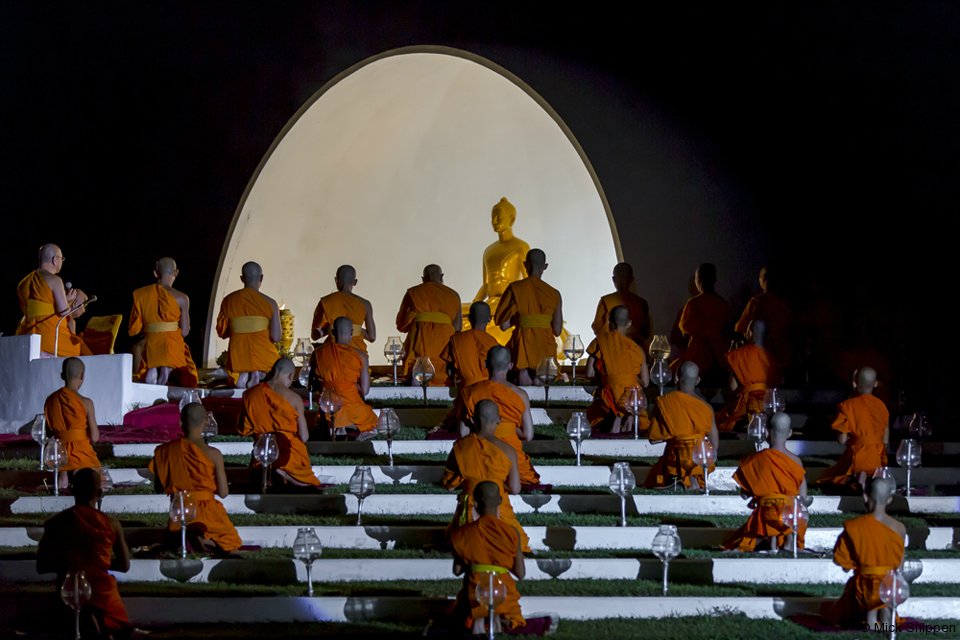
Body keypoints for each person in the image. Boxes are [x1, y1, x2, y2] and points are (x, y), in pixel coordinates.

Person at [36, 467, 132, 637]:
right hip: (102, 592)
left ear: (72, 490)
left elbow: (42, 565)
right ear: (100, 492)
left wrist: (72, 564)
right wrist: (96, 564)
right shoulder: (112, 524)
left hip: (70, 589)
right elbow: (124, 566)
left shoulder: (56, 523)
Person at [149, 402, 242, 555]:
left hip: (180, 511)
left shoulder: (165, 451)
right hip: (209, 513)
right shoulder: (214, 454)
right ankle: (206, 541)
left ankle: (186, 539)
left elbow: (159, 488)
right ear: (206, 421)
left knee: (176, 536)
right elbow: (224, 492)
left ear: (180, 422)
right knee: (231, 542)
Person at [442, 399, 530, 553]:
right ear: (499, 420)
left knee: (463, 542)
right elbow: (515, 488)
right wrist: (494, 483)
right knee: (511, 541)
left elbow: (448, 484)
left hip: (471, 510)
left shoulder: (461, 447)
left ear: (472, 420)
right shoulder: (508, 451)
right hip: (498, 508)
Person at [823, 477, 906, 630]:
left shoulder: (854, 527)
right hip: (889, 586)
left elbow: (842, 562)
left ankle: (871, 623)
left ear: (865, 496)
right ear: (889, 500)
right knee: (884, 601)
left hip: (864, 587)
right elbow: (899, 565)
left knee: (859, 604)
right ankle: (886, 625)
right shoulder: (899, 528)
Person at [723, 412, 808, 552]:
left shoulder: (756, 460)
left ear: (766, 432)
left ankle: (769, 541)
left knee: (762, 516)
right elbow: (802, 496)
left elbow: (744, 494)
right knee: (791, 508)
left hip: (766, 517)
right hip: (790, 519)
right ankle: (787, 542)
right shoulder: (796, 461)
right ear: (790, 433)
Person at [450, 480, 526, 634]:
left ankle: (481, 618)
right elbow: (520, 573)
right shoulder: (511, 532)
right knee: (511, 616)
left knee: (461, 610)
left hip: (475, 594)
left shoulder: (462, 533)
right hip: (503, 593)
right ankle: (499, 618)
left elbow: (457, 570)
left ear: (475, 504)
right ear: (500, 500)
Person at [459, 346, 539, 487]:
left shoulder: (471, 392)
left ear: (485, 364)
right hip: (511, 458)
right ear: (510, 366)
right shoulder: (520, 395)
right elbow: (528, 435)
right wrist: (508, 428)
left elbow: (463, 432)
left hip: (481, 457)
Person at [239, 357, 321, 488]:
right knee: (309, 484)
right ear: (290, 376)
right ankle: (289, 475)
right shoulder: (295, 399)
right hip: (288, 456)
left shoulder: (251, 394)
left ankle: (270, 474)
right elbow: (304, 437)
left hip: (262, 455)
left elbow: (243, 428)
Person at [643, 362, 719, 490]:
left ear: (676, 378)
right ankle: (693, 478)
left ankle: (676, 479)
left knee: (675, 450)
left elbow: (653, 438)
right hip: (700, 458)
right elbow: (714, 443)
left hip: (676, 458)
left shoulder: (665, 402)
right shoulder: (707, 407)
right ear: (698, 380)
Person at [494, 249, 562, 386]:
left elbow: (503, 325)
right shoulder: (554, 294)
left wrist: (521, 320)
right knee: (543, 378)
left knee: (522, 373)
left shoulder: (515, 288)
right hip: (545, 346)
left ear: (525, 265)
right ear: (545, 266)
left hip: (522, 345)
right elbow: (557, 330)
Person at [471, 197, 531, 346]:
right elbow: (486, 285)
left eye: (499, 216)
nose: (495, 220)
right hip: (490, 303)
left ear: (511, 219)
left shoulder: (520, 247)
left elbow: (529, 282)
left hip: (509, 302)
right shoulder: (489, 251)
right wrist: (475, 304)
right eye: (492, 217)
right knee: (460, 314)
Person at [817, 367, 889, 491]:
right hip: (878, 459)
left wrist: (856, 441)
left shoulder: (846, 406)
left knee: (827, 477)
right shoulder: (882, 406)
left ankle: (857, 478)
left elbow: (842, 440)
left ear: (855, 383)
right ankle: (866, 478)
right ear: (875, 384)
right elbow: (886, 439)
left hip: (858, 458)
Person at [128, 257, 196, 386]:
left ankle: (152, 377)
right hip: (171, 344)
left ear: (155, 273)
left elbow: (135, 328)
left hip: (149, 343)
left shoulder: (141, 294)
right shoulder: (182, 298)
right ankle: (163, 381)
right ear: (176, 273)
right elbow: (185, 331)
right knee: (168, 368)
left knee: (151, 367)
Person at [216, 261, 282, 389]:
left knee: (244, 375)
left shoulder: (228, 301)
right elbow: (276, 337)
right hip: (264, 357)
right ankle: (254, 374)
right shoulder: (270, 303)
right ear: (261, 278)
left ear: (242, 278)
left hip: (238, 357)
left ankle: (249, 374)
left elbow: (222, 332)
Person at [585, 305, 650, 434]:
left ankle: (617, 418)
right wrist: (628, 377)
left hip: (609, 397)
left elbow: (589, 373)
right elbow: (646, 382)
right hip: (632, 397)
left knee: (607, 396)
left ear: (609, 323)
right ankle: (627, 417)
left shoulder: (600, 342)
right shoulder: (637, 349)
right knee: (633, 393)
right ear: (629, 323)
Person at [16, 243, 90, 356]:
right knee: (80, 348)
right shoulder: (55, 280)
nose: (62, 262)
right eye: (61, 258)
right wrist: (68, 300)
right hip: (47, 337)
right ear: (55, 260)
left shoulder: (23, 282)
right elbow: (64, 312)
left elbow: (38, 308)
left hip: (25, 334)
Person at [310, 316, 378, 439]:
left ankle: (334, 424)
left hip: (328, 405)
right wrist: (348, 385)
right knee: (372, 420)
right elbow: (365, 389)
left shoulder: (318, 353)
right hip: (351, 405)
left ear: (333, 332)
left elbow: (312, 385)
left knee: (330, 412)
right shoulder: (361, 355)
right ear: (351, 333)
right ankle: (346, 425)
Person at [395, 264, 462, 386]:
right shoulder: (454, 295)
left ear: (423, 279)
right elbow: (457, 328)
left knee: (418, 375)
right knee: (443, 378)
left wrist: (419, 316)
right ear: (442, 277)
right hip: (444, 344)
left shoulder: (413, 293)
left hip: (419, 342)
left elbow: (401, 324)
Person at [44, 357, 101, 490]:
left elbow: (49, 432)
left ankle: (64, 473)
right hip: (81, 453)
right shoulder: (86, 402)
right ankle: (74, 473)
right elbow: (95, 437)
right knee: (97, 477)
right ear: (82, 375)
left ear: (62, 375)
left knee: (65, 461)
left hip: (58, 452)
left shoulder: (51, 400)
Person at [715, 320, 781, 432]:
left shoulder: (740, 354)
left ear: (749, 333)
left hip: (746, 404)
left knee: (720, 421)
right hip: (768, 403)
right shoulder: (773, 358)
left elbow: (733, 386)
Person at [673, 263, 731, 383]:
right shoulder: (723, 305)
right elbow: (729, 332)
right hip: (720, 359)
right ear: (715, 279)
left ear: (697, 280)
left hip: (696, 358)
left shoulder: (693, 304)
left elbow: (683, 331)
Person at [734, 266, 792, 373]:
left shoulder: (758, 302)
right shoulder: (782, 303)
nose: (767, 280)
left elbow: (739, 328)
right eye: (765, 277)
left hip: (769, 359)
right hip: (775, 358)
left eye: (768, 277)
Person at [311, 264, 375, 354]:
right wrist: (357, 329)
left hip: (332, 355)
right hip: (357, 356)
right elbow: (372, 337)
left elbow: (315, 335)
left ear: (336, 280)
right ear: (355, 282)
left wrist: (332, 329)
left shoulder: (325, 302)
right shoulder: (365, 304)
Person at [441, 301, 499, 390]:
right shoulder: (492, 342)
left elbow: (449, 369)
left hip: (463, 388)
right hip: (488, 388)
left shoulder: (457, 339)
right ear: (489, 319)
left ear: (468, 318)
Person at [591, 262, 652, 348]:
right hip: (637, 350)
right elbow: (645, 333)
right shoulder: (641, 302)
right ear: (632, 279)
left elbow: (598, 328)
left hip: (613, 350)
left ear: (613, 279)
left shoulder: (606, 301)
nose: (622, 281)